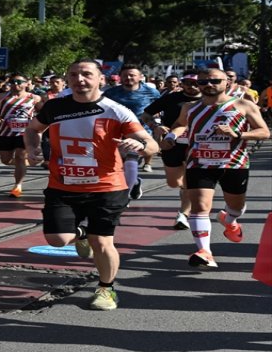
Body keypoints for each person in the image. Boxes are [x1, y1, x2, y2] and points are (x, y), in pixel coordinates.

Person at [24, 59, 158, 311]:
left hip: (106, 187)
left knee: (102, 242)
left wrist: (141, 146)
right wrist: (32, 149)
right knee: (57, 239)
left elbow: (152, 144)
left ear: (101, 80)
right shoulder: (54, 107)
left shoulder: (116, 110)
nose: (79, 79)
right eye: (73, 75)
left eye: (86, 74)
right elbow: (32, 129)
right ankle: (82, 233)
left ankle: (106, 289)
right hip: (62, 186)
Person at [163, 68, 269, 268]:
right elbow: (179, 124)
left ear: (226, 83)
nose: (208, 85)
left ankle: (229, 219)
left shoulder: (243, 105)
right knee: (200, 206)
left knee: (236, 206)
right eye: (202, 82)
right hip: (199, 162)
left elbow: (264, 132)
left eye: (214, 81)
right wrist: (170, 137)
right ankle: (205, 251)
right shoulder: (189, 107)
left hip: (233, 163)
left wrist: (238, 134)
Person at [142, 72, 203, 229]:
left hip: (198, 145)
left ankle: (184, 213)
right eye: (188, 82)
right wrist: (156, 126)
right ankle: (185, 191)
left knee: (191, 179)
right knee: (174, 182)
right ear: (182, 83)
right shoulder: (171, 98)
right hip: (172, 144)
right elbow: (146, 115)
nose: (192, 86)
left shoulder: (209, 100)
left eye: (196, 83)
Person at [102, 65, 161, 200]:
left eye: (132, 75)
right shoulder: (111, 93)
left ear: (140, 77)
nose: (128, 78)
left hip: (139, 133)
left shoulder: (152, 93)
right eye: (125, 75)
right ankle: (134, 182)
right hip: (115, 132)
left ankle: (125, 195)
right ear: (120, 77)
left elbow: (157, 112)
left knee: (130, 160)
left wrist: (156, 126)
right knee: (117, 165)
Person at [0, 74, 43, 198]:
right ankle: (25, 163)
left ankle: (18, 185)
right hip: (6, 132)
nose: (15, 84)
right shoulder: (2, 96)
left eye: (19, 82)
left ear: (26, 83)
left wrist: (36, 125)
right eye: (13, 81)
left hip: (25, 133)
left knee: (19, 155)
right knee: (5, 160)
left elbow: (43, 113)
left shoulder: (34, 98)